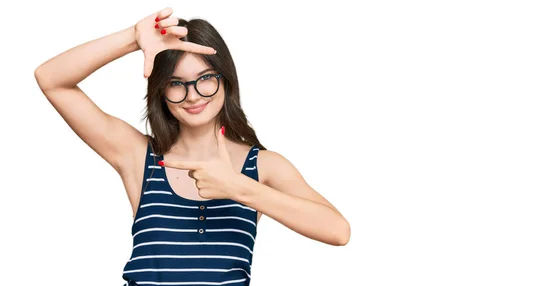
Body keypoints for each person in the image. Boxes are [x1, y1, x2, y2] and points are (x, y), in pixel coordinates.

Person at [34, 7, 350, 286]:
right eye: (176, 83)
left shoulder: (263, 166)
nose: (194, 95)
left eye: (206, 78)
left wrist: (240, 187)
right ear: (160, 92)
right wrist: (133, 38)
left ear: (226, 80)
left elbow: (338, 231)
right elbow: (50, 79)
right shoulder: (138, 156)